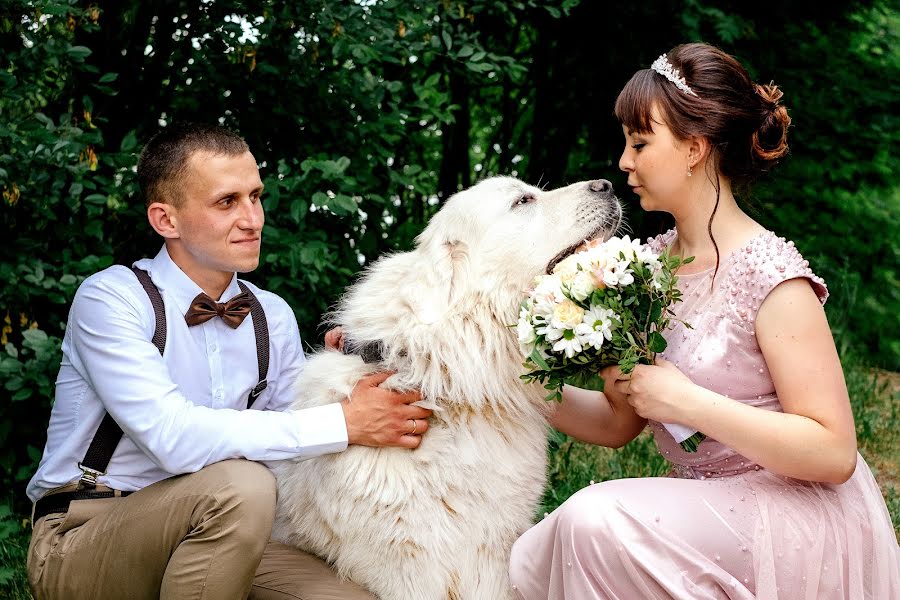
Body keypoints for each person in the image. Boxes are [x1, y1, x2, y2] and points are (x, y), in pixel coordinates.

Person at [508, 43, 900, 599]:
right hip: (709, 508)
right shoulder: (641, 271)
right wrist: (511, 382)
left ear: (693, 148)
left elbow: (834, 453)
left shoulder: (773, 278)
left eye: (640, 143)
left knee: (593, 520)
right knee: (531, 558)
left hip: (792, 515)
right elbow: (618, 425)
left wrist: (687, 402)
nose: (624, 162)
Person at [25, 122, 430, 600]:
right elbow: (172, 440)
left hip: (225, 529)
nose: (253, 218)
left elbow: (293, 436)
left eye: (255, 197)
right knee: (242, 485)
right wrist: (342, 422)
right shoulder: (112, 299)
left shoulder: (270, 314)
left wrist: (346, 373)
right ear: (166, 220)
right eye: (227, 202)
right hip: (86, 534)